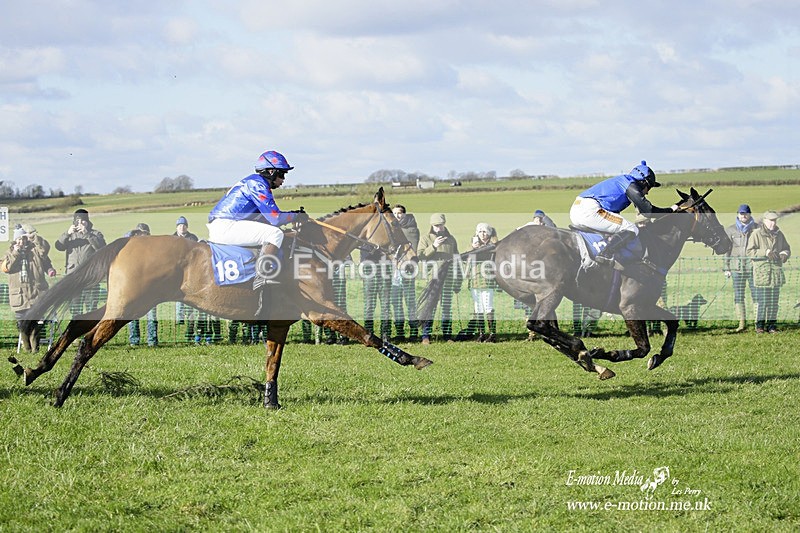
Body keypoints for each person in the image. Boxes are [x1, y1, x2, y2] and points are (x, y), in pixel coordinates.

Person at [207, 150, 308, 315]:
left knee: (275, 232)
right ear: (271, 171)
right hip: (225, 225)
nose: (283, 179)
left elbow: (266, 219)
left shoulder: (254, 181)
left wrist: (291, 217)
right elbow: (274, 218)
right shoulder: (258, 184)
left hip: (224, 223)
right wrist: (296, 215)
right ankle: (264, 279)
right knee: (275, 234)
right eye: (281, 174)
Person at [569, 161, 678, 265]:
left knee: (619, 227)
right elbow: (647, 210)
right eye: (649, 187)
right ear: (643, 182)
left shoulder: (624, 181)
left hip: (578, 208)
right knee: (631, 228)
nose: (648, 192)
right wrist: (670, 210)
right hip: (589, 210)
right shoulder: (631, 186)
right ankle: (605, 255)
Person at [2, 225, 56, 352]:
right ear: (15, 241)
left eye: (23, 239)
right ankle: (27, 349)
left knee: (39, 322)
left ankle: (34, 347)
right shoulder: (9, 253)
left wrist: (34, 236)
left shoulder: (35, 250)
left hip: (37, 293)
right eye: (19, 239)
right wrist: (16, 252)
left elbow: (45, 249)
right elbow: (7, 268)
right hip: (19, 295)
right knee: (22, 325)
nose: (21, 242)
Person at [418, 213, 461, 344]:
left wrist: (458, 281)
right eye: (436, 226)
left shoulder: (451, 240)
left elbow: (457, 260)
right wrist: (434, 246)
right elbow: (420, 256)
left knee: (446, 308)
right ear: (431, 226)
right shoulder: (425, 239)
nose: (439, 228)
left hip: (448, 279)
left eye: (441, 225)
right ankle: (425, 335)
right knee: (430, 307)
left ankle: (447, 335)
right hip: (433, 279)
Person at [55, 208, 106, 315]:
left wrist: (87, 234)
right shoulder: (70, 236)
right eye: (77, 221)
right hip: (73, 277)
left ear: (87, 221)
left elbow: (102, 248)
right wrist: (67, 234)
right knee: (75, 309)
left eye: (83, 221)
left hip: (91, 277)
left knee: (91, 308)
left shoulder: (95, 234)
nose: (80, 223)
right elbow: (59, 246)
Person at [746, 211, 791, 334]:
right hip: (762, 273)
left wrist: (784, 254)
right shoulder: (756, 234)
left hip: (775, 273)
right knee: (763, 301)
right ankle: (759, 326)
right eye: (771, 220)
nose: (773, 223)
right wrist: (765, 252)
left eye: (775, 220)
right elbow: (749, 252)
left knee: (774, 302)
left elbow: (787, 248)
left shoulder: (779, 234)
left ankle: (772, 326)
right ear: (765, 221)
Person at [723, 204, 759, 333]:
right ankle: (741, 324)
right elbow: (727, 250)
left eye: (746, 213)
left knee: (756, 295)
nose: (743, 216)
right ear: (738, 214)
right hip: (736, 268)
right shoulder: (730, 230)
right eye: (741, 213)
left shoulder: (757, 229)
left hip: (753, 268)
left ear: (750, 214)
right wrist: (726, 267)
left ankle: (757, 324)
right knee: (739, 296)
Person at [462, 222, 499, 342]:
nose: (482, 234)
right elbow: (465, 259)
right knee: (478, 308)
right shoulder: (472, 245)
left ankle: (492, 334)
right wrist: (473, 249)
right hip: (474, 281)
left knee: (488, 307)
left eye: (484, 232)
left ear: (489, 233)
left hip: (487, 281)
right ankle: (481, 333)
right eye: (480, 232)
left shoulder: (493, 246)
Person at [124, 223, 158, 347]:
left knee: (152, 316)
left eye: (145, 233)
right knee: (133, 315)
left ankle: (152, 341)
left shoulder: (154, 249)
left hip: (150, 288)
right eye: (139, 233)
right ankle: (134, 340)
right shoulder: (133, 248)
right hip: (135, 288)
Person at [390, 205, 420, 342]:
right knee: (396, 302)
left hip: (408, 269)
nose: (397, 215)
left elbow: (412, 249)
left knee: (410, 301)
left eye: (400, 213)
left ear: (404, 215)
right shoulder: (391, 229)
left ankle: (414, 331)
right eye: (395, 213)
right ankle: (400, 332)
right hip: (394, 270)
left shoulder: (411, 229)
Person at [360, 245, 393, 340]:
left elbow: (390, 253)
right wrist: (375, 249)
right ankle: (369, 334)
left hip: (384, 271)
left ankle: (385, 335)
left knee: (385, 305)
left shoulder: (386, 239)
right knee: (369, 306)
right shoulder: (365, 239)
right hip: (369, 272)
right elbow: (365, 255)